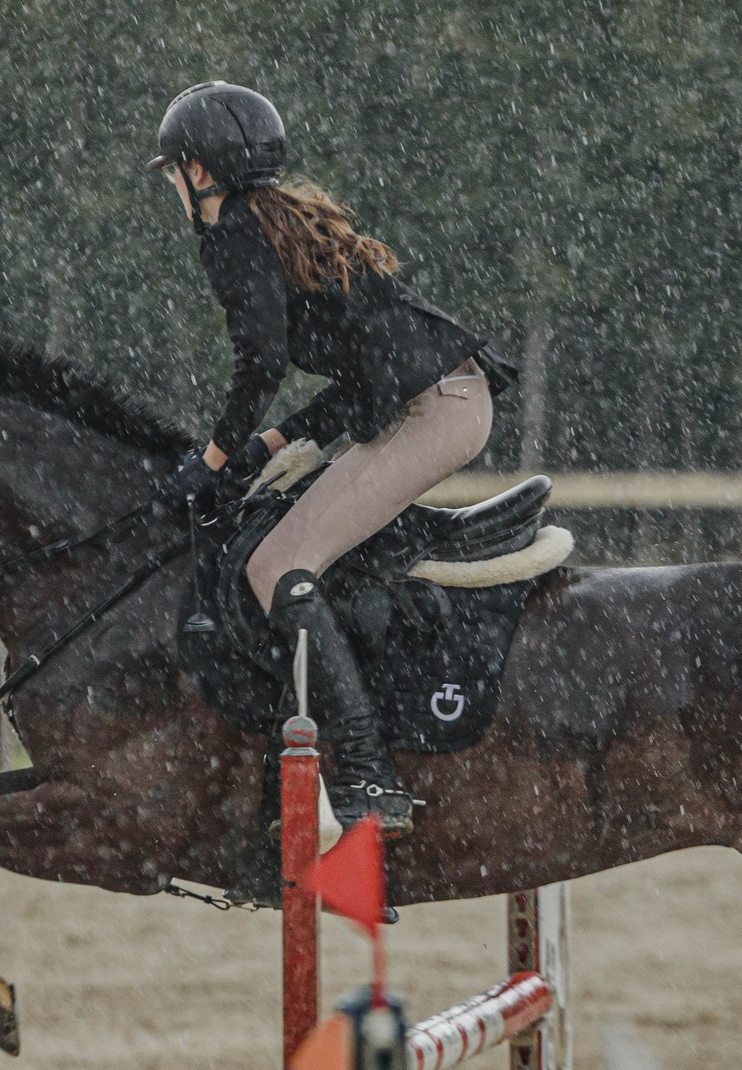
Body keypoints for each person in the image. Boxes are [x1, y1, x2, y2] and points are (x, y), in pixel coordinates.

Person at [149, 81, 517, 835]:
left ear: (197, 171)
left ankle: (369, 776)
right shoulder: (272, 222)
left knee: (276, 567)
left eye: (172, 173)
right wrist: (264, 446)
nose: (172, 191)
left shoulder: (233, 232)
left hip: (436, 407)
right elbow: (354, 379)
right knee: (284, 548)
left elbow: (260, 361)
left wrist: (215, 458)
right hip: (438, 398)